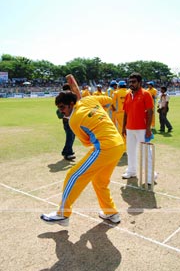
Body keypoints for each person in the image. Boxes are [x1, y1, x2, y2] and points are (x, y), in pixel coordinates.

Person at [41, 92, 124, 226]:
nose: (61, 111)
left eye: (62, 107)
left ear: (71, 104)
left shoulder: (74, 120)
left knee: (73, 175)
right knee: (99, 181)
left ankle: (63, 214)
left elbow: (87, 142)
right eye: (59, 108)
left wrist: (93, 119)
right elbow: (109, 101)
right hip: (118, 144)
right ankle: (111, 212)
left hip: (105, 147)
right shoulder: (90, 99)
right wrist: (99, 112)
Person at [122, 73, 157, 184]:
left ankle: (150, 176)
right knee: (130, 151)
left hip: (142, 128)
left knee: (145, 153)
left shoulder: (146, 94)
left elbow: (150, 112)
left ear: (140, 82)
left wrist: (148, 128)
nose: (131, 84)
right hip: (130, 128)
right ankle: (131, 171)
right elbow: (125, 113)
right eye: (130, 82)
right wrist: (123, 127)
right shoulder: (128, 95)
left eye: (134, 82)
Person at [56, 83, 75, 160]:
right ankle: (67, 153)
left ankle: (68, 151)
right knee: (70, 137)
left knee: (71, 137)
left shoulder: (65, 97)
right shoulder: (65, 98)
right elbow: (59, 112)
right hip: (67, 121)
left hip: (70, 121)